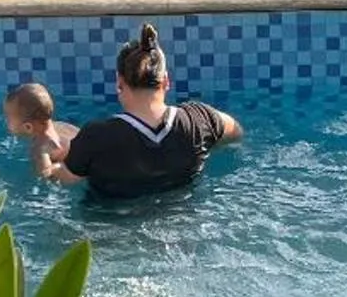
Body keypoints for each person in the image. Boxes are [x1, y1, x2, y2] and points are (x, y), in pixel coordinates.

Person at [50, 24, 243, 199]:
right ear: (166, 81)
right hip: (180, 221)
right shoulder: (199, 120)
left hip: (114, 225)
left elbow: (62, 178)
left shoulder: (96, 136)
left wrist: (50, 152)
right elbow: (236, 132)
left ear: (119, 82)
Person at [3, 82, 77, 180]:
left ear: (28, 127)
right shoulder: (61, 126)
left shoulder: (39, 146)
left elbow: (46, 176)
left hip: (81, 169)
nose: (5, 120)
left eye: (8, 118)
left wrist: (53, 170)